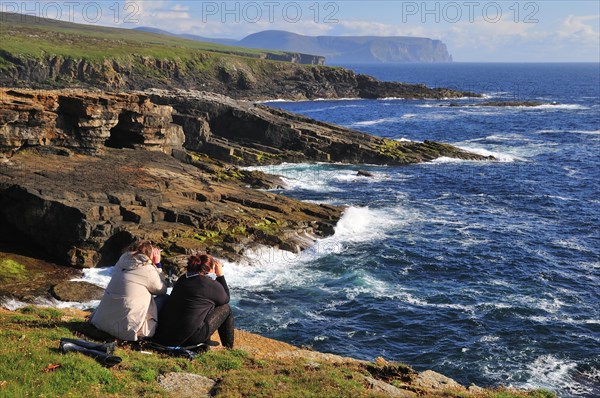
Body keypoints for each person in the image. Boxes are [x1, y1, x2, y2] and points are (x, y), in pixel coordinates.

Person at [91, 240, 168, 341]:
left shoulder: (121, 262)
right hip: (125, 330)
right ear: (149, 253)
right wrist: (157, 265)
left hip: (101, 321)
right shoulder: (147, 268)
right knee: (164, 298)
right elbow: (162, 290)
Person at [153, 253, 234, 349]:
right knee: (225, 308)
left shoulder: (183, 278)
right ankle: (229, 348)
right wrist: (220, 275)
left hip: (166, 336)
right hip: (189, 339)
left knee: (204, 305)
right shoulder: (210, 284)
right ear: (209, 269)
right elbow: (226, 299)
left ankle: (206, 342)